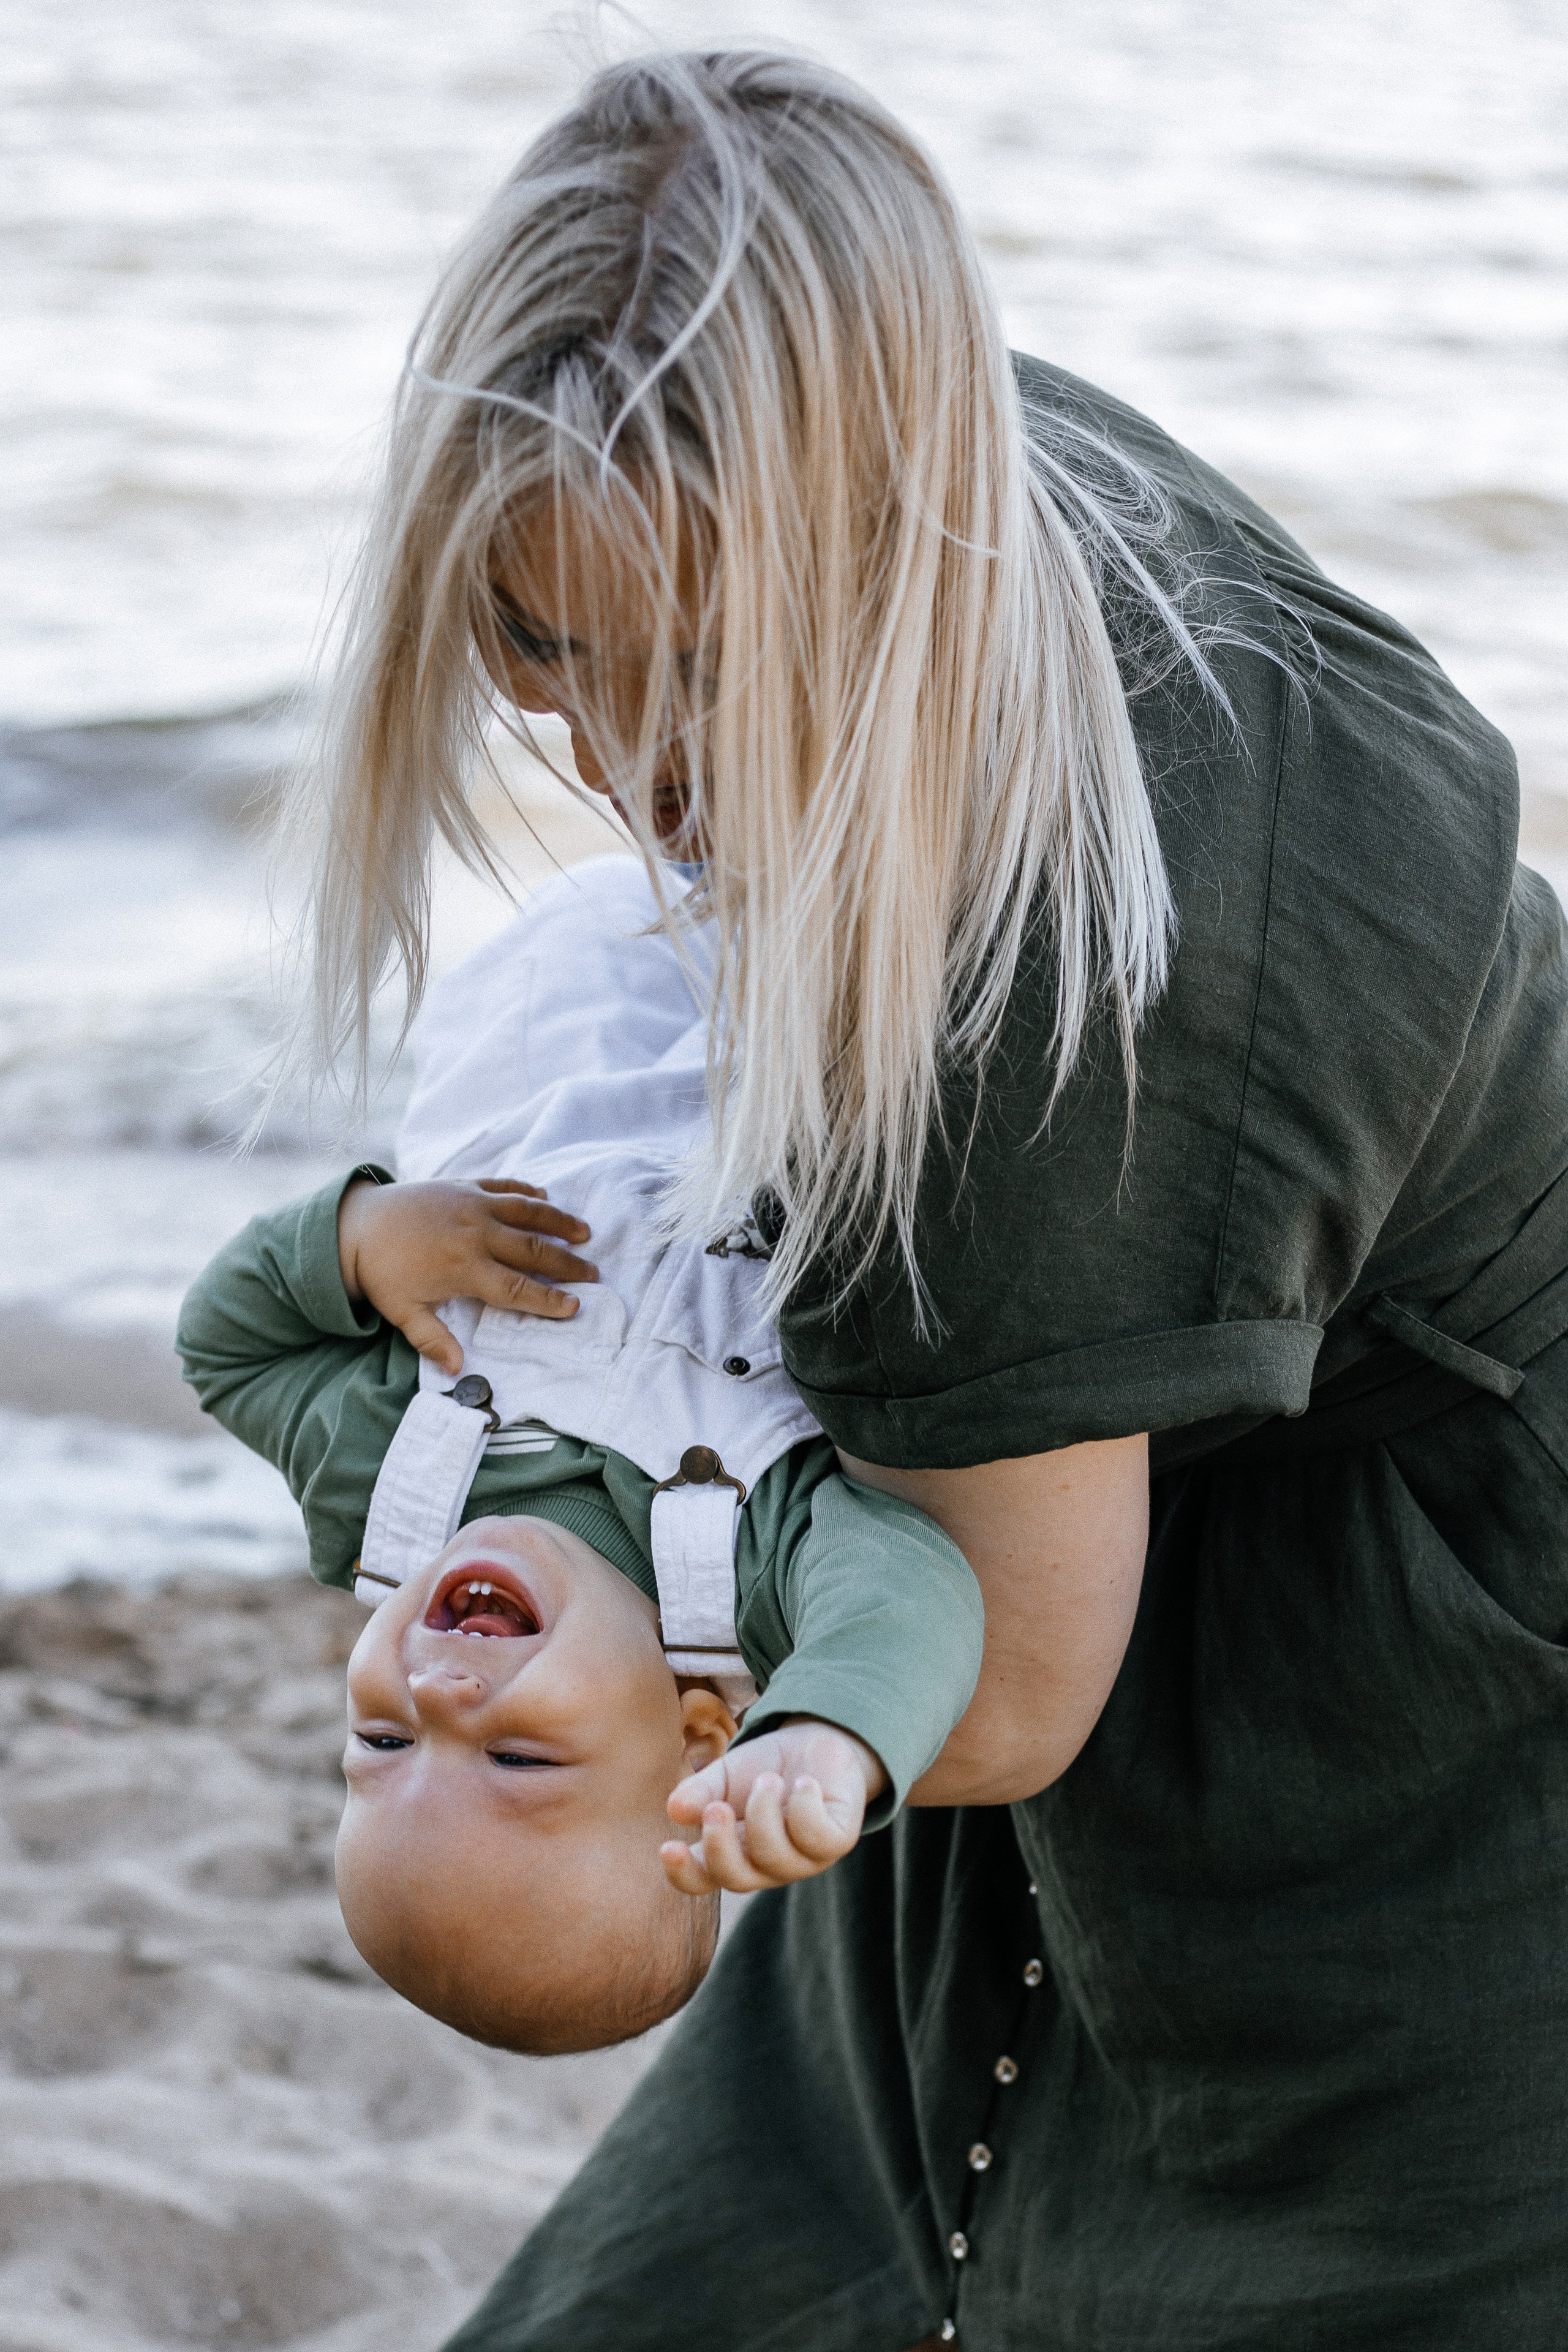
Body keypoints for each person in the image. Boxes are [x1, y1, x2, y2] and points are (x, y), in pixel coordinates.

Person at [292, 43, 1568, 2352]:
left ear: (889, 535)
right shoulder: (923, 430)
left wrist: (554, 1645)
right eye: (545, 648)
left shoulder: (1051, 997)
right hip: (1056, 1418)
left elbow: (996, 1703)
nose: (626, 769)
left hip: (1438, 1621)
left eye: (705, 672)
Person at [177, 859, 984, 2056]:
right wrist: (830, 1738)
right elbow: (911, 1592)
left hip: (556, 988)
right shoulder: (741, 1572)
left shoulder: (390, 1499)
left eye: (382, 1743)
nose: (438, 1696)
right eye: (512, 1754)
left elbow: (227, 1352)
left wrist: (359, 1242)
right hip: (781, 1008)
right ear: (700, 1738)